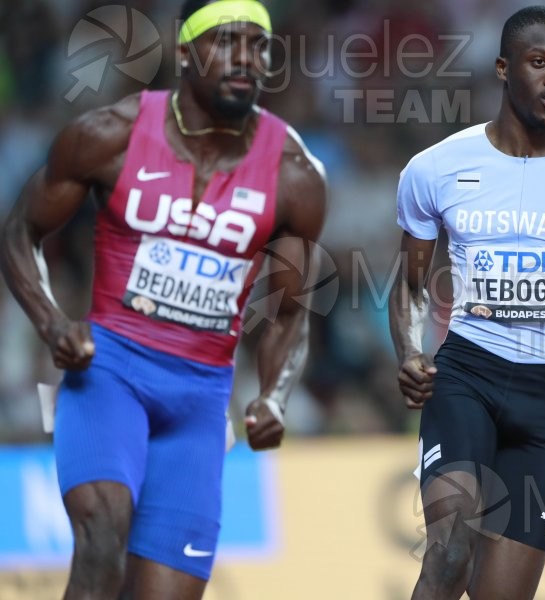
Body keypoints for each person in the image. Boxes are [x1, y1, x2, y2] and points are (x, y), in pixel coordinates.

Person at [0, 0, 326, 598]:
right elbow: (20, 231)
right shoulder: (110, 135)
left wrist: (276, 395)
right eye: (226, 42)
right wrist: (50, 324)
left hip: (200, 402)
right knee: (103, 534)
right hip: (109, 375)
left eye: (258, 47)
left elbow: (288, 313)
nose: (245, 58)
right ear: (183, 54)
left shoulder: (295, 173)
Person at [389, 6, 545, 599]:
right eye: (540, 62)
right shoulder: (436, 168)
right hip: (467, 377)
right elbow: (408, 285)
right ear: (504, 69)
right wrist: (408, 348)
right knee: (449, 553)